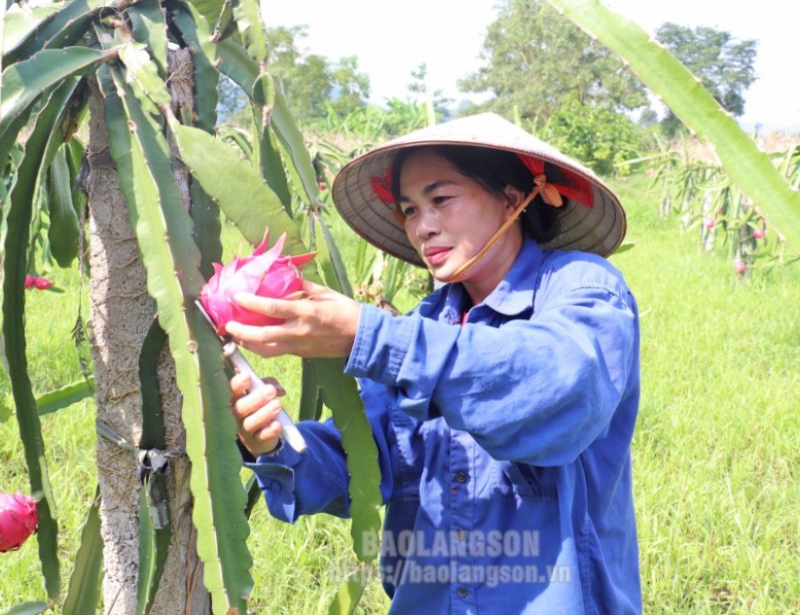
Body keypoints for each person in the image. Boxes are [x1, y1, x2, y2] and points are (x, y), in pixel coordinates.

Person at [225, 112, 641, 614]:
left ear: (512, 199)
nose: (422, 226)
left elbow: (556, 386)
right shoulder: (428, 321)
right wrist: (274, 440)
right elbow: (366, 460)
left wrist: (369, 335)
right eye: (409, 210)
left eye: (441, 199)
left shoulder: (582, 288)